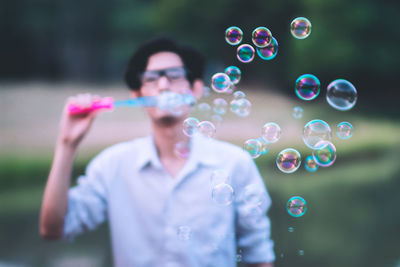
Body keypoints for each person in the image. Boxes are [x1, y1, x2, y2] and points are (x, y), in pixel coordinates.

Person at [40, 37, 275, 267]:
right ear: (138, 96)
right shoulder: (112, 165)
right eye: (151, 79)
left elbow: (259, 255)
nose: (163, 85)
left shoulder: (235, 164)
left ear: (195, 89)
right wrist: (66, 144)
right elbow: (53, 230)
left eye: (174, 76)